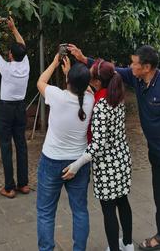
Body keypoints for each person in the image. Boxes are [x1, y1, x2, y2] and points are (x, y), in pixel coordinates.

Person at [67, 44, 160, 251]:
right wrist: (83, 58)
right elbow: (111, 70)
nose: (130, 66)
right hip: (157, 152)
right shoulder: (138, 78)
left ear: (147, 66)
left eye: (134, 63)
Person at [62, 58, 134, 251]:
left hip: (107, 164)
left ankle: (114, 248)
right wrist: (70, 74)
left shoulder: (101, 106)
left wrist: (76, 165)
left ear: (96, 82)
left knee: (108, 208)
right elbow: (90, 92)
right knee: (123, 201)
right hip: (121, 157)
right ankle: (127, 243)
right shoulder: (115, 95)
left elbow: (98, 145)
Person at [36, 54, 94, 251]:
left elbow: (41, 81)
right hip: (79, 162)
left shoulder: (57, 96)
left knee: (45, 212)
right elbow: (83, 88)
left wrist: (54, 62)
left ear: (68, 81)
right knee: (80, 211)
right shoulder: (91, 99)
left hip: (51, 160)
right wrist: (72, 74)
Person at [0, 17, 30, 198]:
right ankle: (23, 184)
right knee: (21, 145)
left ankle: (9, 187)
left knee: (6, 146)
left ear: (11, 55)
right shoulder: (26, 64)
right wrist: (13, 28)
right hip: (21, 108)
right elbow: (22, 44)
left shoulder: (6, 67)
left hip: (6, 110)